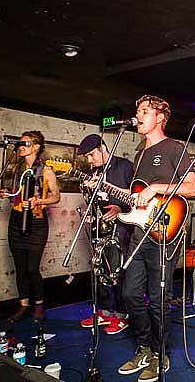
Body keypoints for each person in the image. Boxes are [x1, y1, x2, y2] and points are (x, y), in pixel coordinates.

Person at [116, 95, 195, 382]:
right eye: (137, 110)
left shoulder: (174, 148)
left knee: (157, 297)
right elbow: (138, 197)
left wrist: (157, 188)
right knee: (129, 293)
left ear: (160, 117)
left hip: (165, 232)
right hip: (140, 232)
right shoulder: (139, 154)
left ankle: (159, 352)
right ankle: (144, 347)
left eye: (144, 111)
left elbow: (193, 188)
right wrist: (112, 196)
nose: (138, 116)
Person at [0, 131, 61, 322]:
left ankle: (39, 305)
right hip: (16, 220)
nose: (20, 147)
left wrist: (39, 201)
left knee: (32, 268)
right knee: (20, 267)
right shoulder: (17, 169)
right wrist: (6, 193)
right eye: (19, 144)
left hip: (37, 222)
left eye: (24, 143)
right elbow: (15, 191)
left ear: (36, 147)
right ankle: (23, 306)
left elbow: (56, 197)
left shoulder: (46, 170)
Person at [77, 134, 134, 335]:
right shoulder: (93, 172)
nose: (89, 160)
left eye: (91, 155)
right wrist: (90, 209)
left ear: (103, 148)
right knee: (99, 270)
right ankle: (106, 312)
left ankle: (122, 315)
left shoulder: (125, 166)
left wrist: (120, 208)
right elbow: (96, 200)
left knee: (117, 271)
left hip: (122, 227)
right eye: (86, 157)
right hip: (99, 227)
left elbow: (137, 197)